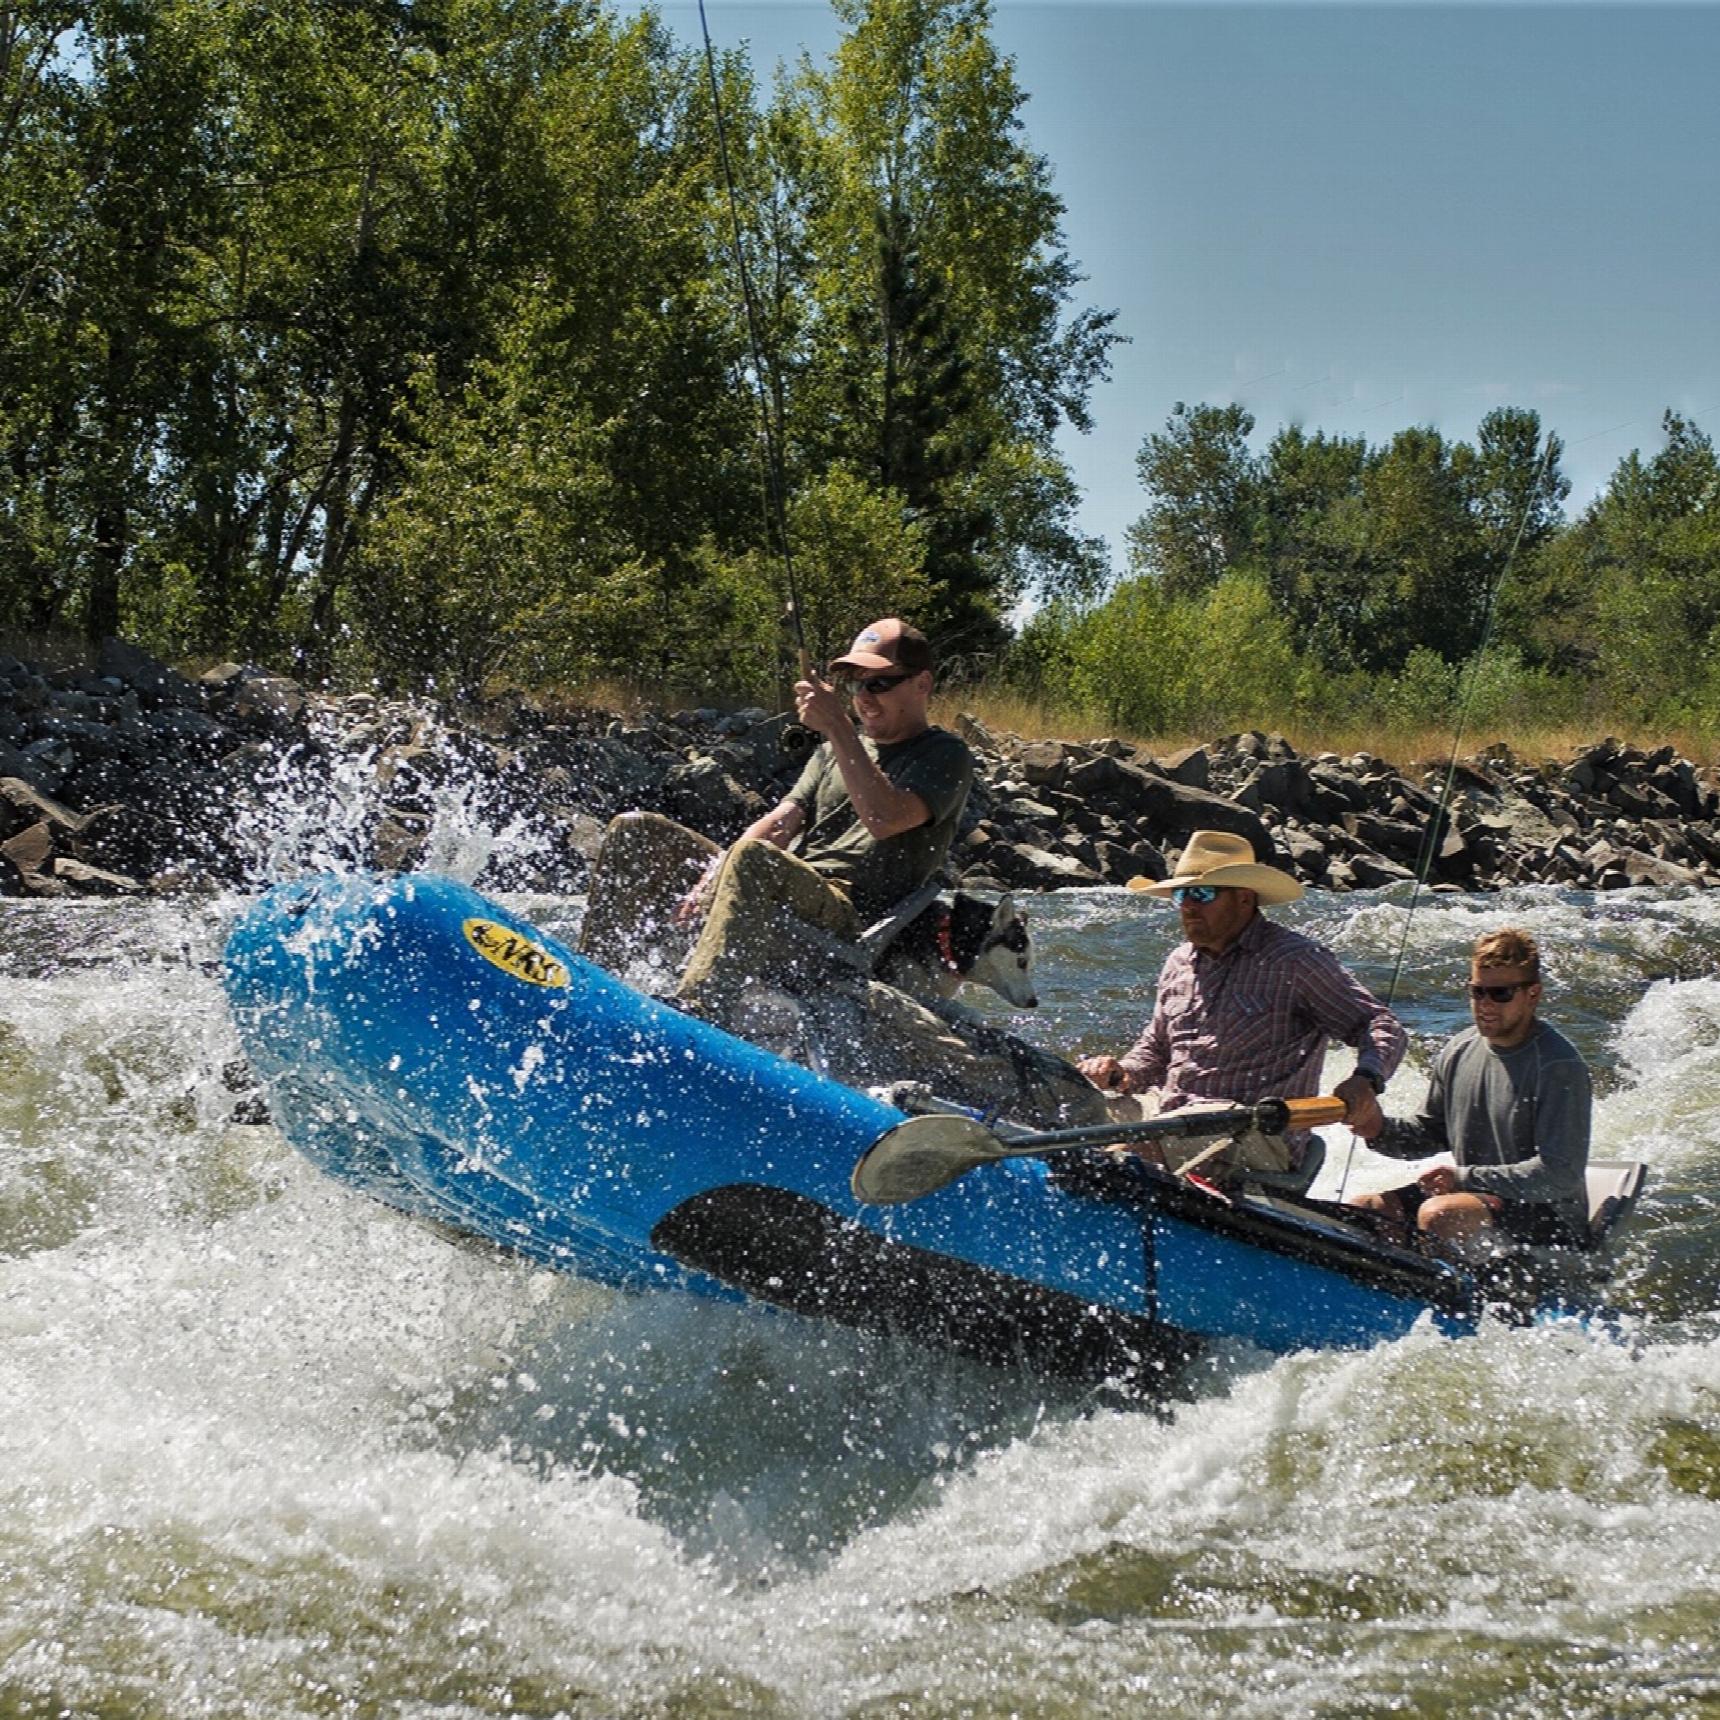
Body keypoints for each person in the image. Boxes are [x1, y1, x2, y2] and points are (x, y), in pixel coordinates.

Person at [577, 619, 974, 1018]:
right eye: (856, 685)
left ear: (922, 684)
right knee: (636, 829)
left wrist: (837, 726)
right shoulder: (832, 753)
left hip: (847, 914)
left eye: (879, 684)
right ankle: (591, 979)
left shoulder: (945, 755)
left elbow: (883, 818)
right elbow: (780, 823)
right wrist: (713, 876)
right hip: (784, 885)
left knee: (753, 858)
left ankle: (701, 1009)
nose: (864, 698)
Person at [1076, 829, 1405, 1185]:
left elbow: (1378, 1023)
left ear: (1245, 899)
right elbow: (1155, 1052)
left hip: (1255, 1131)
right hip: (1170, 1112)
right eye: (1181, 894)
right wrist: (1119, 1073)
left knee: (1130, 1147)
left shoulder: (1295, 961)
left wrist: (1366, 1080)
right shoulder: (1178, 962)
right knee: (1067, 1113)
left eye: (1201, 894)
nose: (1188, 906)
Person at [1348, 927, 1592, 1248]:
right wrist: (1375, 1129)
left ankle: (1449, 1293)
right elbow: (1429, 1133)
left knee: (1441, 1214)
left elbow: (1559, 1175)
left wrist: (1465, 1179)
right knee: (1367, 1210)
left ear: (1533, 994)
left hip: (1550, 1216)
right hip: (1473, 1195)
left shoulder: (1559, 1067)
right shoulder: (1458, 1050)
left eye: (1500, 993)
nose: (1485, 1004)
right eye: (1478, 992)